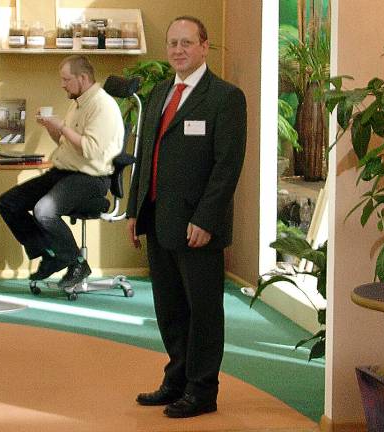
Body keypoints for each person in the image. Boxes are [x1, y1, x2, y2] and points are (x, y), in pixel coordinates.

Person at [126, 16, 247, 418]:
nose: (178, 50)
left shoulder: (225, 98)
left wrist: (206, 219)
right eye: (172, 43)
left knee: (203, 312)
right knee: (170, 310)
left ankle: (202, 390)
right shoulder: (159, 92)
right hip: (158, 220)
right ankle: (176, 380)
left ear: (204, 46)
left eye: (187, 43)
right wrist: (134, 210)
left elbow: (227, 166)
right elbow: (144, 156)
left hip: (198, 226)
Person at [0, 55, 125, 287]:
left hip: (91, 177)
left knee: (44, 210)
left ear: (82, 78)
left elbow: (90, 150)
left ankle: (77, 262)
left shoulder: (102, 106)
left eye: (66, 79)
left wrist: (62, 127)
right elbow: (67, 144)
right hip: (65, 172)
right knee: (8, 203)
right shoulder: (78, 102)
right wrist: (52, 128)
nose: (62, 84)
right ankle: (50, 253)